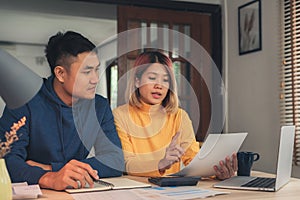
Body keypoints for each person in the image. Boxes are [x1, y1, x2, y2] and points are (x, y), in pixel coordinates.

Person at [0, 31, 124, 190]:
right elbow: (6, 161)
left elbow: (115, 160)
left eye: (96, 69)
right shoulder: (24, 102)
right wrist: (49, 178)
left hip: (77, 190)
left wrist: (52, 168)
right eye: (87, 71)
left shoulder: (99, 106)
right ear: (60, 73)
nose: (95, 79)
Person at [113, 51, 237, 180]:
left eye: (165, 80)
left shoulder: (179, 116)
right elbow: (127, 164)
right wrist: (161, 163)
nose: (159, 85)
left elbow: (193, 159)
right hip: (135, 189)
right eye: (152, 78)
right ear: (137, 81)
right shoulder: (120, 115)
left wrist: (216, 171)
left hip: (171, 190)